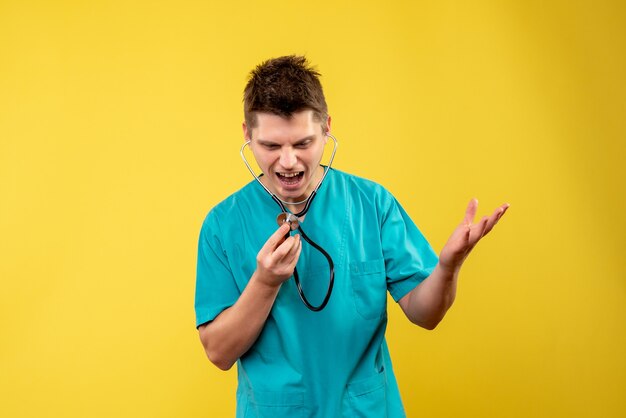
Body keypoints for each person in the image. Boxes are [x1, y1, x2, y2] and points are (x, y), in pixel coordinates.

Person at [195, 55, 509, 417]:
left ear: (327, 128)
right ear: (247, 136)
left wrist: (448, 268)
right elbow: (218, 353)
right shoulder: (222, 225)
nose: (288, 162)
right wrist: (266, 282)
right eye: (270, 146)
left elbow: (426, 314)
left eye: (302, 143)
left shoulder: (372, 204)